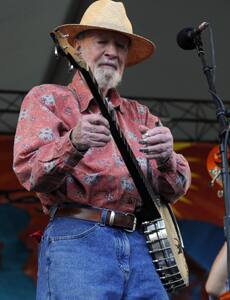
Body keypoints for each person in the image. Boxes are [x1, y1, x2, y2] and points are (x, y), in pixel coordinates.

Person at [13, 0, 191, 299]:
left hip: (142, 245)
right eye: (102, 42)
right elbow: (31, 175)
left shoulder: (141, 115)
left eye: (121, 46)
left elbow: (175, 189)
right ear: (78, 47)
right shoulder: (48, 99)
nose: (112, 51)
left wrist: (167, 159)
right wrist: (74, 142)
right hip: (79, 239)